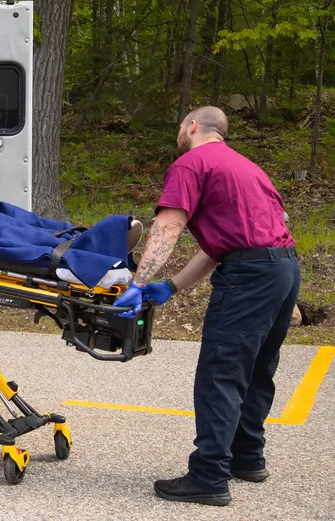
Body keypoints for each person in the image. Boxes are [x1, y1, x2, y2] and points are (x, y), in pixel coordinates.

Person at [113, 106, 300, 507]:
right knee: (256, 368)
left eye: (180, 126)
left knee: (221, 373)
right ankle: (247, 457)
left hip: (250, 277)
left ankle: (209, 477)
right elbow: (224, 246)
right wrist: (171, 286)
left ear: (193, 126)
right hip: (283, 270)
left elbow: (168, 226)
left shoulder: (191, 163)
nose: (179, 133)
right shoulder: (247, 168)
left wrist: (137, 283)